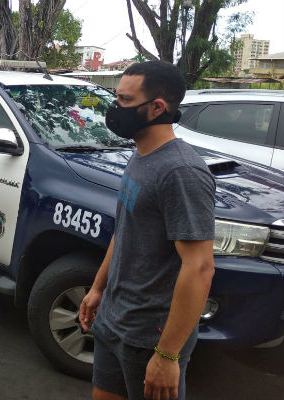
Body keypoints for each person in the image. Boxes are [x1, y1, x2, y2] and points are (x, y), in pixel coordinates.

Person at [78, 61, 216, 400]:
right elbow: (126, 227)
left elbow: (199, 267)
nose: (115, 108)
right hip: (114, 319)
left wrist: (167, 355)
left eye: (125, 101)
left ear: (157, 108)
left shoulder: (181, 172)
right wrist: (99, 288)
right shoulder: (141, 154)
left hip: (150, 336)